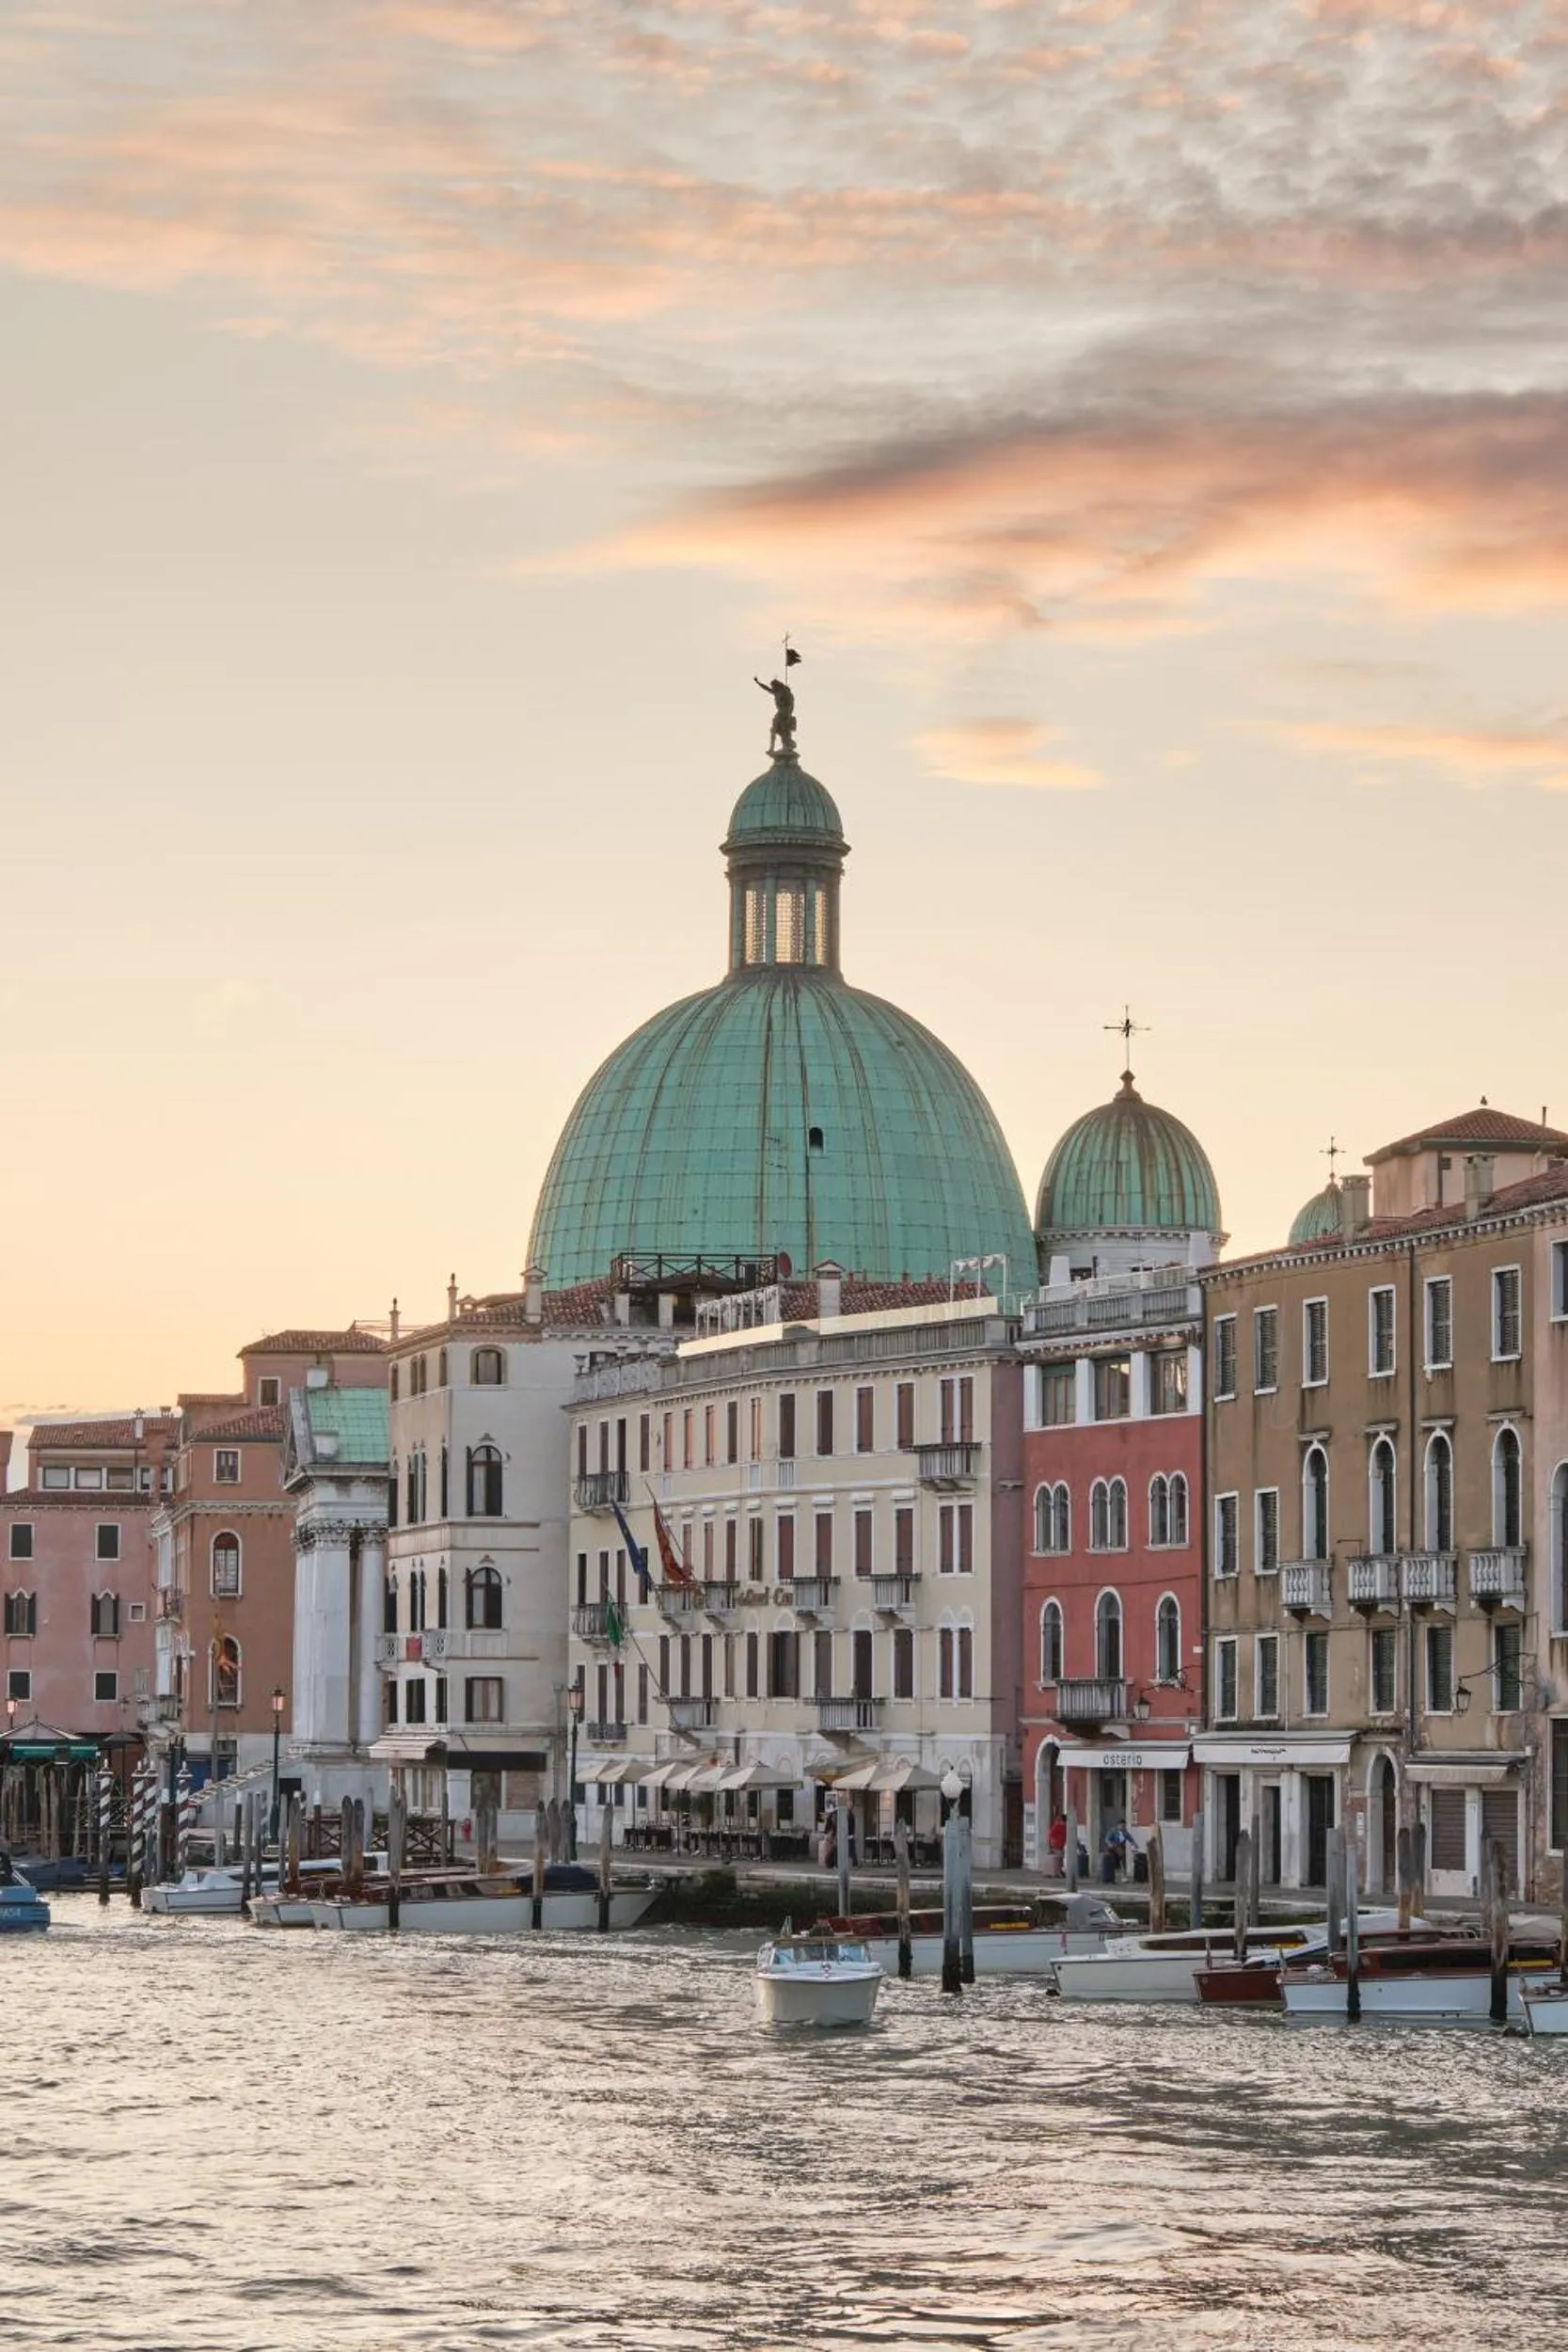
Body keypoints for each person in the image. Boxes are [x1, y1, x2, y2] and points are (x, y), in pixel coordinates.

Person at [1046, 1813, 1068, 1879]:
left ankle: (1058, 1872)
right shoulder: (1058, 1825)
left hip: (1061, 1845)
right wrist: (1053, 1841)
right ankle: (1057, 1872)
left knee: (1060, 1858)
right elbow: (1051, 1834)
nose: (1063, 1822)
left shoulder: (1064, 1826)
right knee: (1058, 1859)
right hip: (1057, 1845)